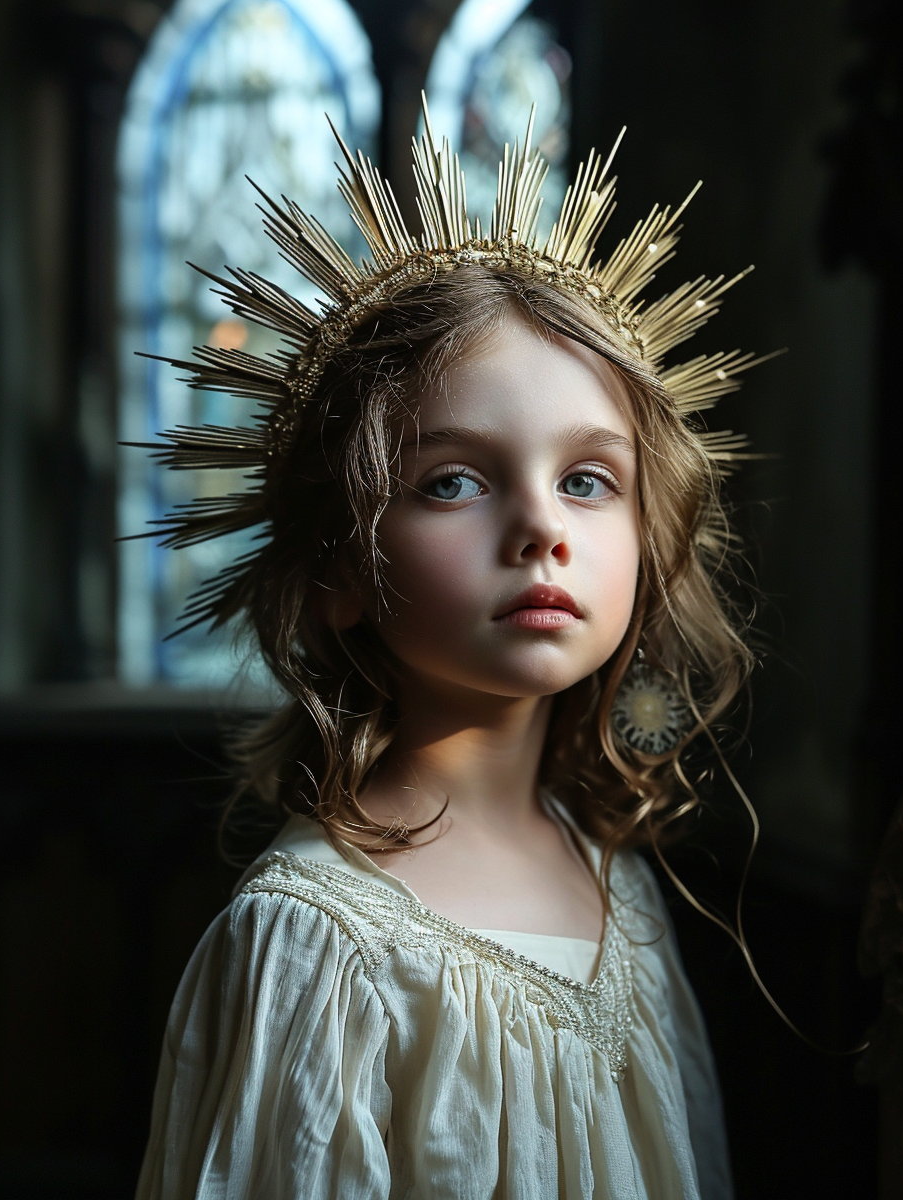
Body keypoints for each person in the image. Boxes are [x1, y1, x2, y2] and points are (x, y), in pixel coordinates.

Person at [134, 107, 765, 1199]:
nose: (541, 529)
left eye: (587, 479)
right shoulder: (316, 947)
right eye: (453, 482)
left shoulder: (610, 873)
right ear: (337, 571)